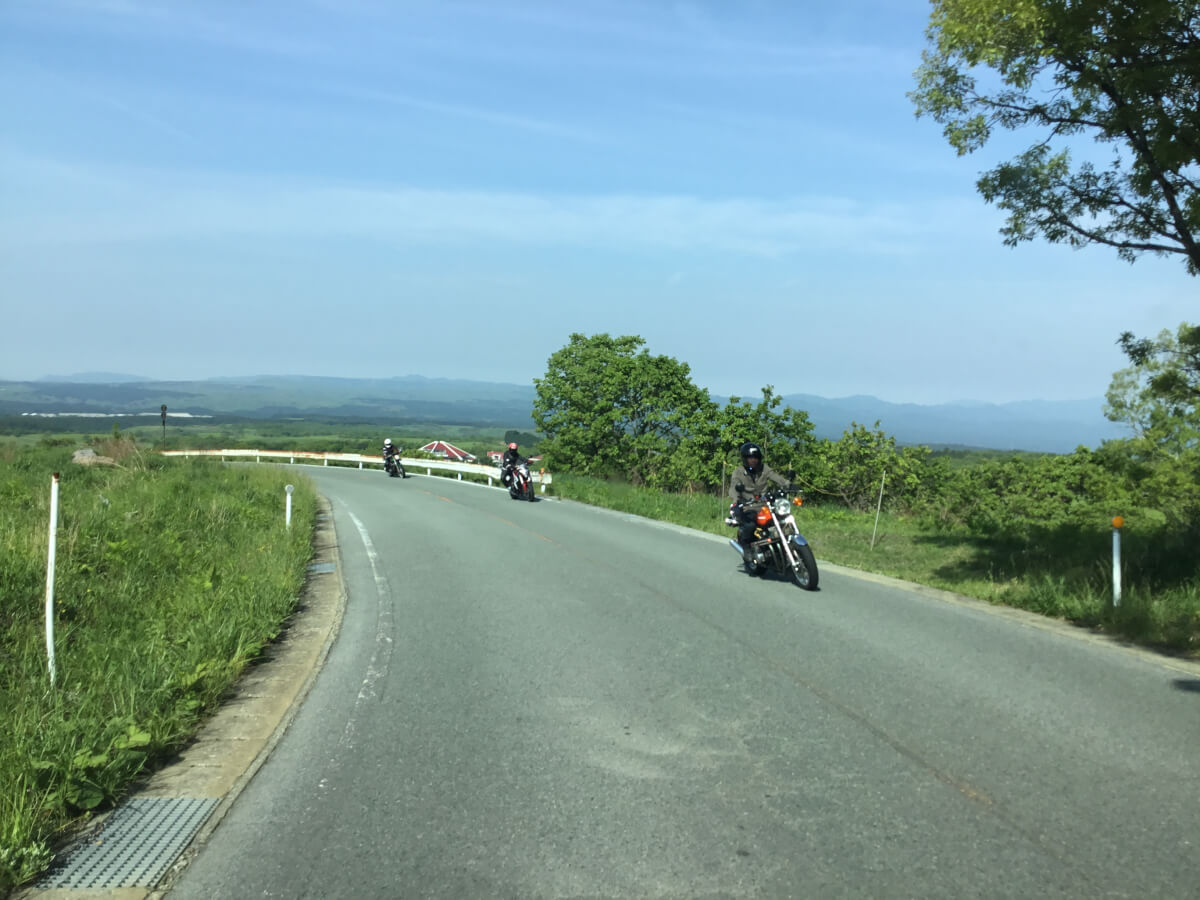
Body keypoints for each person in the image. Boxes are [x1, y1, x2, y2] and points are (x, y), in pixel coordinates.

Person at [728, 441, 790, 564]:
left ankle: (786, 548)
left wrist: (788, 484)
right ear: (745, 459)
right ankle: (746, 547)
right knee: (750, 525)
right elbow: (733, 487)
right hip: (748, 505)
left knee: (783, 519)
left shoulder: (764, 469)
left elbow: (776, 477)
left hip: (765, 505)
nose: (753, 460)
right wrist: (735, 501)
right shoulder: (738, 472)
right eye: (750, 458)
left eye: (756, 457)